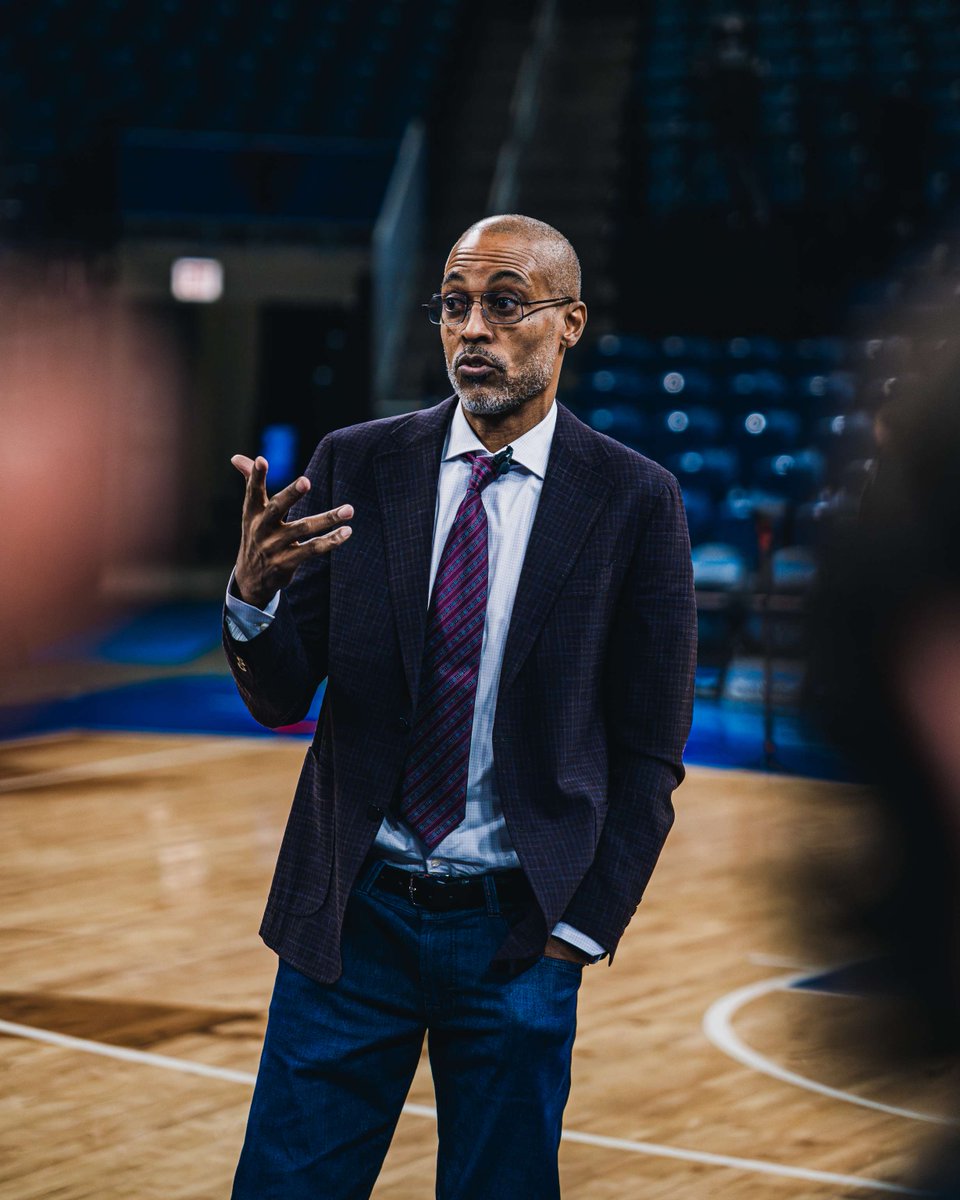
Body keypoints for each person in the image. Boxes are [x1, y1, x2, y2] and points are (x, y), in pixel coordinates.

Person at [222, 213, 697, 1199]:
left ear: (568, 323)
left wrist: (578, 932)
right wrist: (252, 599)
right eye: (454, 305)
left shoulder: (633, 500)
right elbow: (281, 698)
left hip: (518, 936)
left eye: (505, 304)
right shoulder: (357, 465)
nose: (472, 328)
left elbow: (649, 755)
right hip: (350, 920)